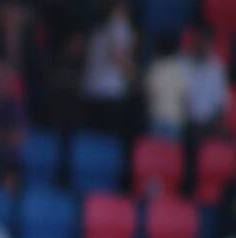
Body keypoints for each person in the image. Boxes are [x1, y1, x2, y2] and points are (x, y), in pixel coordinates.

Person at [80, 0, 136, 137]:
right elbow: (117, 56)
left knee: (93, 140)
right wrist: (133, 75)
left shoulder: (98, 28)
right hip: (109, 93)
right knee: (108, 142)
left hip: (90, 91)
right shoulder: (120, 26)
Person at [183, 28, 228, 139]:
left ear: (211, 45)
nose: (202, 46)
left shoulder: (217, 69)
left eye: (206, 43)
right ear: (195, 42)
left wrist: (211, 123)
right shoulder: (183, 63)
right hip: (183, 122)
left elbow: (221, 103)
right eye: (200, 42)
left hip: (207, 124)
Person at [143, 36, 187, 138]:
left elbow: (147, 95)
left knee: (155, 148)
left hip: (157, 116)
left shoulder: (154, 68)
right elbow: (184, 97)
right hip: (174, 118)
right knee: (171, 148)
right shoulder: (180, 70)